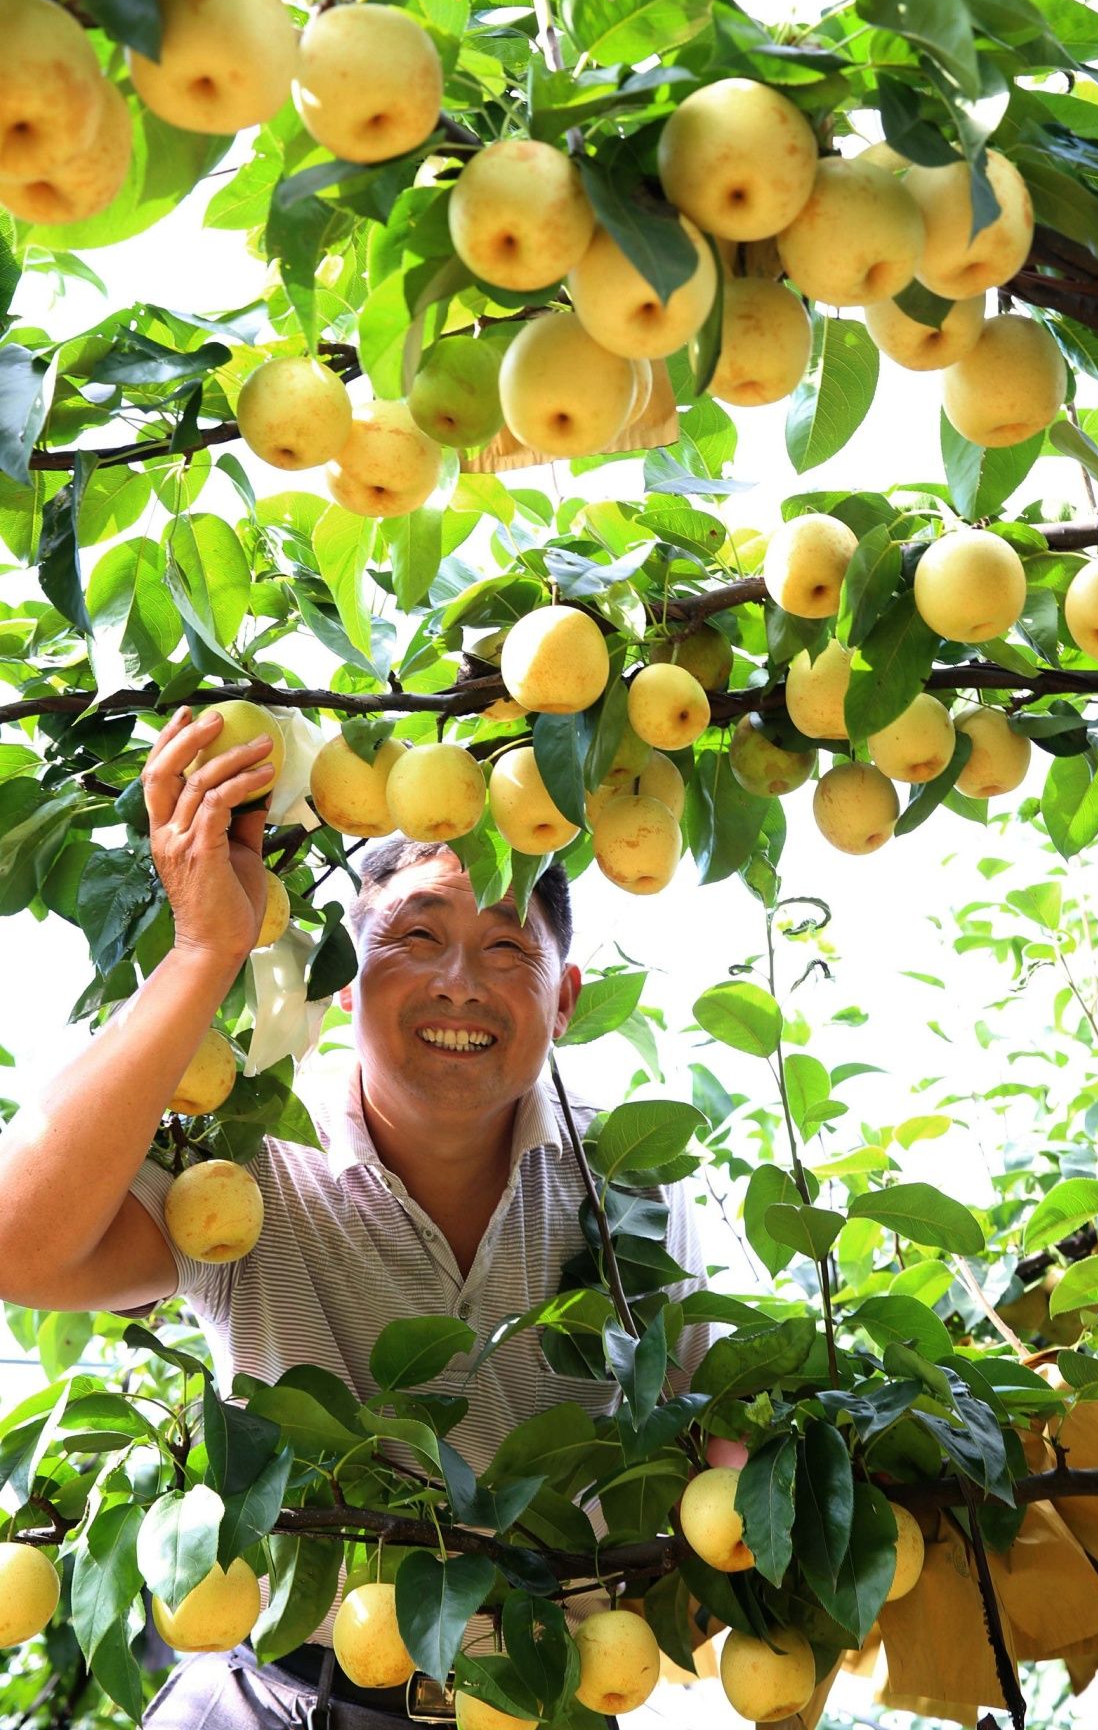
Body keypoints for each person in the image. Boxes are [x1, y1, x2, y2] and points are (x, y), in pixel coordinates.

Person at [0, 708, 712, 1728]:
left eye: (506, 945)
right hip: (274, 1696)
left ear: (564, 999)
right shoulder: (242, 1158)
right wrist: (206, 947)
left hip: (533, 1700)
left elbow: (711, 1433)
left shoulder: (633, 1183)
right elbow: (17, 1245)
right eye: (416, 934)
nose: (458, 980)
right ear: (341, 975)